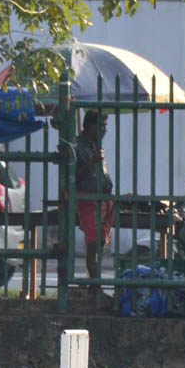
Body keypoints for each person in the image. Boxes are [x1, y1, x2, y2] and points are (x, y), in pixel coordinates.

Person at [73, 110, 114, 281]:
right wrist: (92, 161)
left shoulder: (95, 145)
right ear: (91, 126)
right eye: (102, 126)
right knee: (93, 245)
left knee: (99, 243)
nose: (105, 130)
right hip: (88, 200)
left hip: (103, 200)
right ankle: (95, 286)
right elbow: (71, 177)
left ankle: (94, 285)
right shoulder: (77, 146)